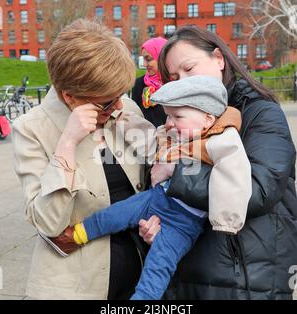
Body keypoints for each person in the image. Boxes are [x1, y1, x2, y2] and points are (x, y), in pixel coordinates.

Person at [42, 75, 252, 300]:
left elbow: (236, 179)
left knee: (158, 267)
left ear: (208, 119)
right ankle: (76, 235)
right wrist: (124, 121)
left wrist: (226, 223)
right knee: (117, 213)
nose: (169, 122)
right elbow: (150, 137)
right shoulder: (179, 130)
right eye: (168, 115)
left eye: (177, 116)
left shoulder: (222, 141)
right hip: (157, 197)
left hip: (184, 223)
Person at [140, 25, 297, 300]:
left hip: (245, 276)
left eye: (190, 68)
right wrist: (158, 223)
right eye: (174, 77)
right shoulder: (178, 119)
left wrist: (175, 175)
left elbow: (258, 189)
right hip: (189, 268)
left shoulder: (260, 112)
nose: (183, 81)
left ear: (219, 59)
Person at [11, 19, 157, 300]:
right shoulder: (32, 129)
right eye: (106, 102)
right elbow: (49, 223)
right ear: (70, 97)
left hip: (142, 276)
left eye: (120, 95)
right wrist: (67, 143)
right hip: (75, 285)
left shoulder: (125, 108)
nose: (117, 105)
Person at [132, 37, 167, 127]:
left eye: (148, 59)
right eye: (143, 59)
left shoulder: (174, 84)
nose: (144, 64)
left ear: (162, 58)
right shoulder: (139, 84)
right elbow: (134, 116)